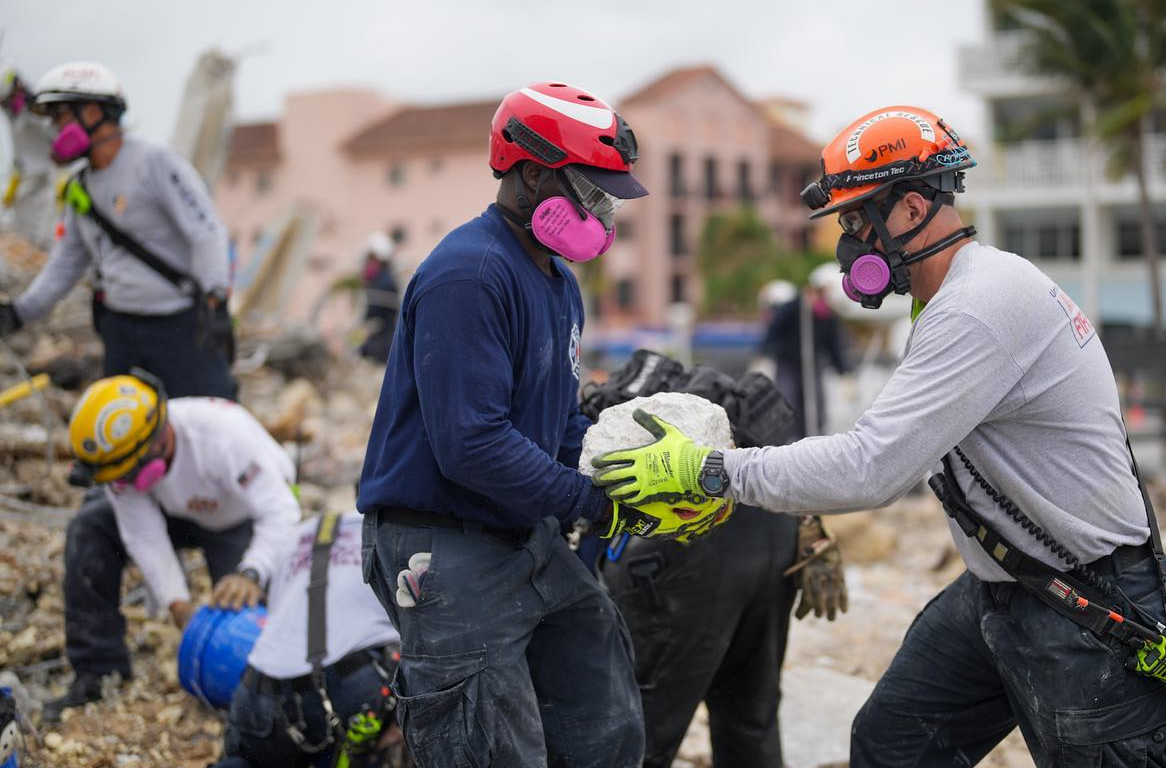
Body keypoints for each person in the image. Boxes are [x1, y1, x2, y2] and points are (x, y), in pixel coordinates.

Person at [591, 106, 1166, 767]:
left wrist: (714, 471)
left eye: (855, 221)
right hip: (1005, 585)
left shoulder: (976, 308)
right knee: (894, 746)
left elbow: (870, 468)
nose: (849, 245)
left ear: (908, 209)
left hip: (1083, 606)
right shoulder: (954, 298)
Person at [358, 82, 728, 768]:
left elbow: (555, 420)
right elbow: (471, 444)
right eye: (591, 187)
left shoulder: (555, 281)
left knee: (604, 723)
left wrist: (622, 485)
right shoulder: (468, 274)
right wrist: (590, 501)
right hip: (443, 544)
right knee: (487, 746)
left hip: (521, 532)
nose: (603, 206)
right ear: (531, 174)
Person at [579, 350, 846, 768]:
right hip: (774, 532)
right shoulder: (719, 412)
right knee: (750, 721)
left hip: (682, 557)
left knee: (639, 728)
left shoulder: (595, 421)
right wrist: (808, 524)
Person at [44, 369, 300, 720]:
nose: (123, 484)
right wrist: (177, 605)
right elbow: (144, 536)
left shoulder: (223, 436)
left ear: (160, 439)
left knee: (243, 618)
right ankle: (98, 671)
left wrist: (252, 572)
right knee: (89, 529)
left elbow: (282, 513)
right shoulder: (122, 462)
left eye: (128, 475)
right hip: (174, 511)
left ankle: (264, 696)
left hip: (236, 516)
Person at [0, 61, 236, 399]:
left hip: (180, 329)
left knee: (197, 421)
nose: (53, 129)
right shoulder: (80, 186)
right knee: (126, 435)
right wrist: (20, 312)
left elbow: (206, 231)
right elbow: (65, 265)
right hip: (120, 332)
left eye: (61, 116)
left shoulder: (155, 163)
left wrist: (216, 299)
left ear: (94, 112)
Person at [213, 512, 401, 768]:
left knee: (250, 759)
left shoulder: (303, 531)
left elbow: (276, 615)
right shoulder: (398, 533)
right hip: (345, 688)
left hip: (255, 692)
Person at [760, 263, 850, 436]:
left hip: (812, 363)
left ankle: (813, 440)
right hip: (788, 362)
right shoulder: (793, 308)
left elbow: (834, 345)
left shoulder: (826, 317)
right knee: (788, 401)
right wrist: (764, 355)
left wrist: (844, 372)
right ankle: (787, 442)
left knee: (815, 406)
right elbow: (773, 331)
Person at [0, 63, 61, 250]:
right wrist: (15, 179)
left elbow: (60, 144)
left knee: (51, 229)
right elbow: (20, 153)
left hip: (53, 176)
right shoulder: (14, 116)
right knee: (19, 222)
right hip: (29, 177)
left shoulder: (41, 111)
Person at [357, 232, 399, 363]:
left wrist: (354, 339)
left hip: (380, 345)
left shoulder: (383, 284)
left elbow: (372, 318)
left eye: (370, 257)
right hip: (383, 341)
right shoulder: (382, 279)